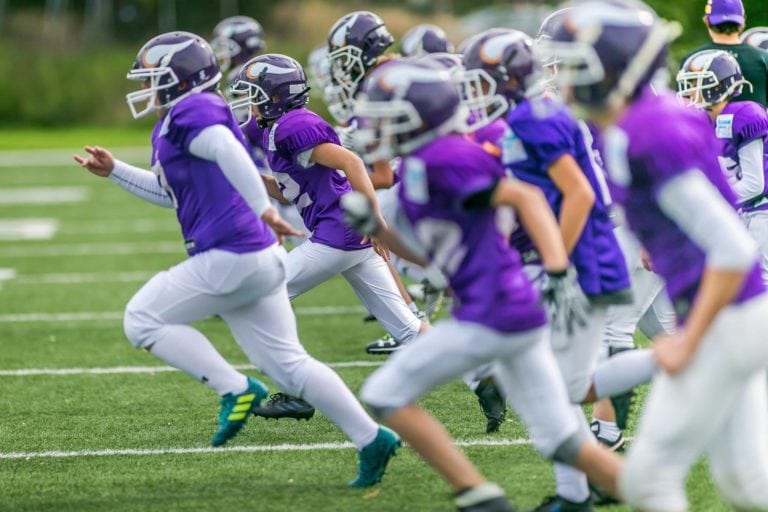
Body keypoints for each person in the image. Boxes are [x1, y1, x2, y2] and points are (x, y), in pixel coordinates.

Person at [74, 31, 400, 487]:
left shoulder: (194, 110)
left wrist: (264, 208)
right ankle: (372, 438)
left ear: (181, 79)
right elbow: (168, 195)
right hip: (256, 256)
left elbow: (229, 152)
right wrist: (114, 173)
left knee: (141, 319)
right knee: (289, 365)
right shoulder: (175, 122)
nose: (146, 86)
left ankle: (235, 387)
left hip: (232, 252)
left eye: (154, 77)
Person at [343, 59, 623, 512]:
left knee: (384, 393)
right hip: (502, 310)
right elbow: (431, 257)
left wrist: (555, 268)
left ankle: (479, 495)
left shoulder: (447, 157)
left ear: (420, 115)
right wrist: (377, 227)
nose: (375, 124)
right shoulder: (418, 164)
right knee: (564, 440)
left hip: (495, 312)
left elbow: (526, 197)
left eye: (386, 114)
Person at [550, 1, 768, 509]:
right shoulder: (629, 125)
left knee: (651, 479)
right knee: (750, 484)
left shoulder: (649, 131)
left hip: (728, 318)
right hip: (731, 314)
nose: (563, 79)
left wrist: (690, 336)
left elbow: (733, 247)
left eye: (574, 65)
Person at [462, 27, 633, 511]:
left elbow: (578, 193)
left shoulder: (535, 117)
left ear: (505, 79)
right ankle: (578, 491)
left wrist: (555, 259)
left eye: (478, 81)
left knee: (556, 390)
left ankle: (577, 493)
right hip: (572, 256)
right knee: (560, 388)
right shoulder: (525, 116)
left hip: (581, 259)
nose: (471, 93)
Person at [228, 52, 428, 416]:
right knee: (407, 328)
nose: (249, 103)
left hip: (339, 234)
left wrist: (375, 222)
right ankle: (486, 376)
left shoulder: (292, 126)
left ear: (276, 97)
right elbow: (287, 188)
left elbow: (351, 162)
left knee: (262, 296)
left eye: (255, 94)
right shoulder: (275, 127)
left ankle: (298, 390)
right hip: (345, 235)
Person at [678, 49, 768, 281]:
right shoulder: (705, 122)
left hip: (762, 212)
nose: (691, 91)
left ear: (718, 85)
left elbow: (754, 184)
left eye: (698, 83)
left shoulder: (744, 114)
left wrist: (712, 201)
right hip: (747, 212)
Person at [680, 0, 768, 106]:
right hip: (753, 122)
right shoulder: (762, 58)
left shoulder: (694, 59)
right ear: (743, 20)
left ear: (707, 20)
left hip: (705, 123)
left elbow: (684, 104)